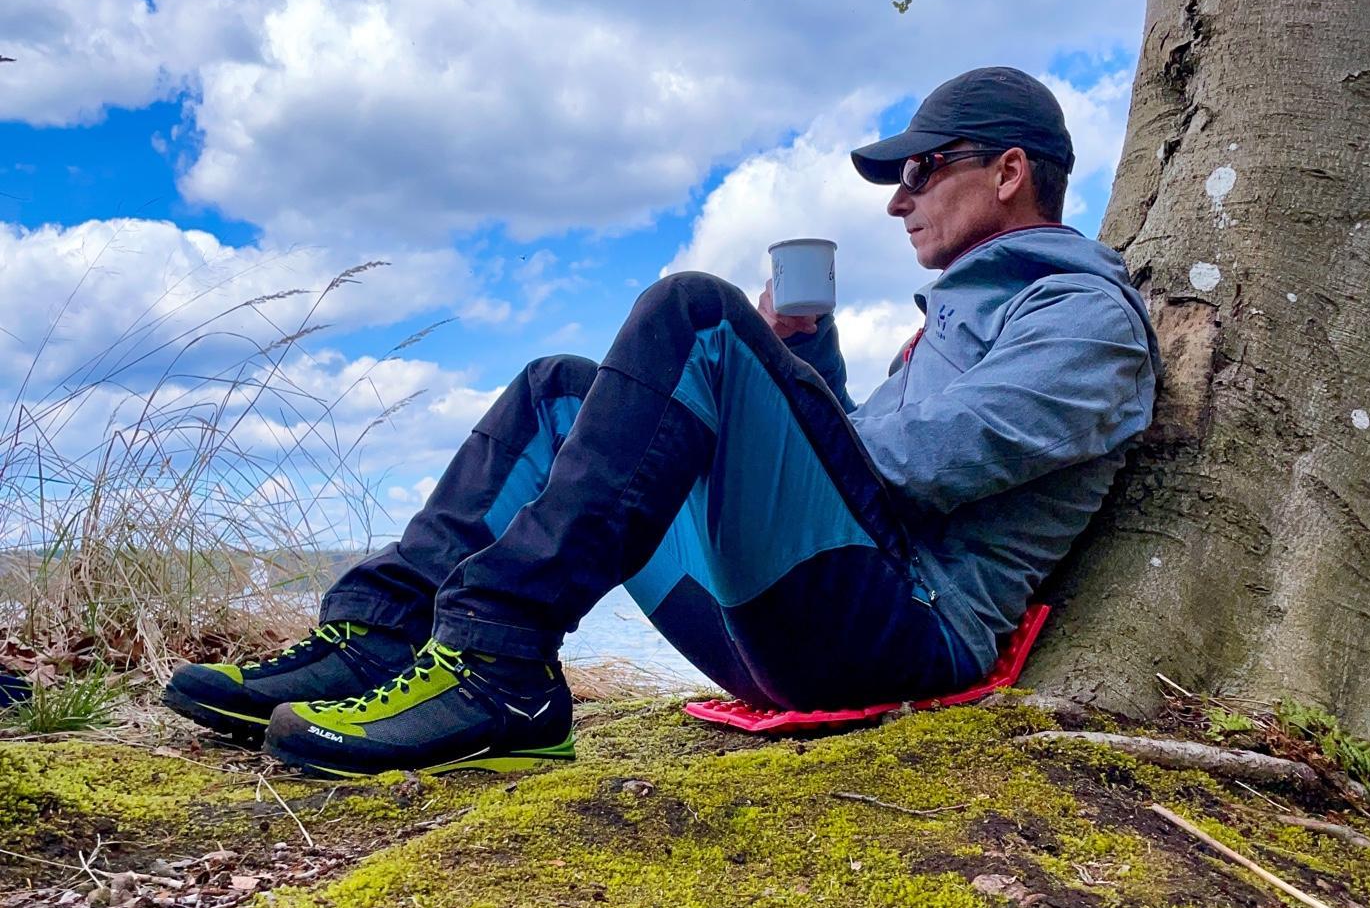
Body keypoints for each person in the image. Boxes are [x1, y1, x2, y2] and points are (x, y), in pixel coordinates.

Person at [164, 67, 1161, 778]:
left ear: (1007, 171)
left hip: (901, 633)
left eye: (920, 170)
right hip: (794, 620)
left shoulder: (1081, 317)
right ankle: (379, 639)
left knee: (696, 314)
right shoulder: (963, 316)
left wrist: (759, 384)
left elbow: (910, 475)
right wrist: (801, 363)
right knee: (560, 389)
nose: (898, 202)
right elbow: (865, 467)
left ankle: (498, 666)